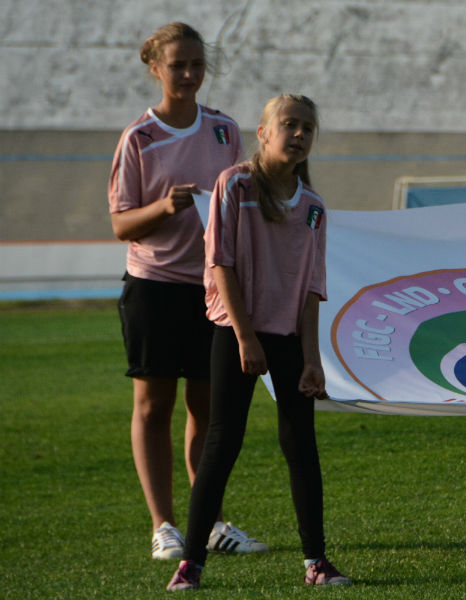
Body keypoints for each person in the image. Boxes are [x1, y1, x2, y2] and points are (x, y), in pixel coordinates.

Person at [166, 93, 348, 590]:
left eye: (307, 127)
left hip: (288, 338)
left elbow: (311, 289)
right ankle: (191, 564)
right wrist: (246, 337)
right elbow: (220, 263)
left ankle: (316, 562)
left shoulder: (313, 208)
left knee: (301, 446)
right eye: (288, 124)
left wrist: (312, 360)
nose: (299, 134)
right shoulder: (235, 184)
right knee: (222, 443)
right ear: (263, 133)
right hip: (235, 332)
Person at [108, 21, 267, 560]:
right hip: (153, 287)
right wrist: (164, 206)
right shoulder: (139, 137)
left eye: (197, 64)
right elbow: (121, 224)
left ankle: (212, 523)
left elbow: (242, 204)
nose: (189, 74)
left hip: (212, 290)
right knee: (154, 406)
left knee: (208, 408)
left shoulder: (224, 131)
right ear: (156, 68)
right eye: (178, 65)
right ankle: (164, 526)